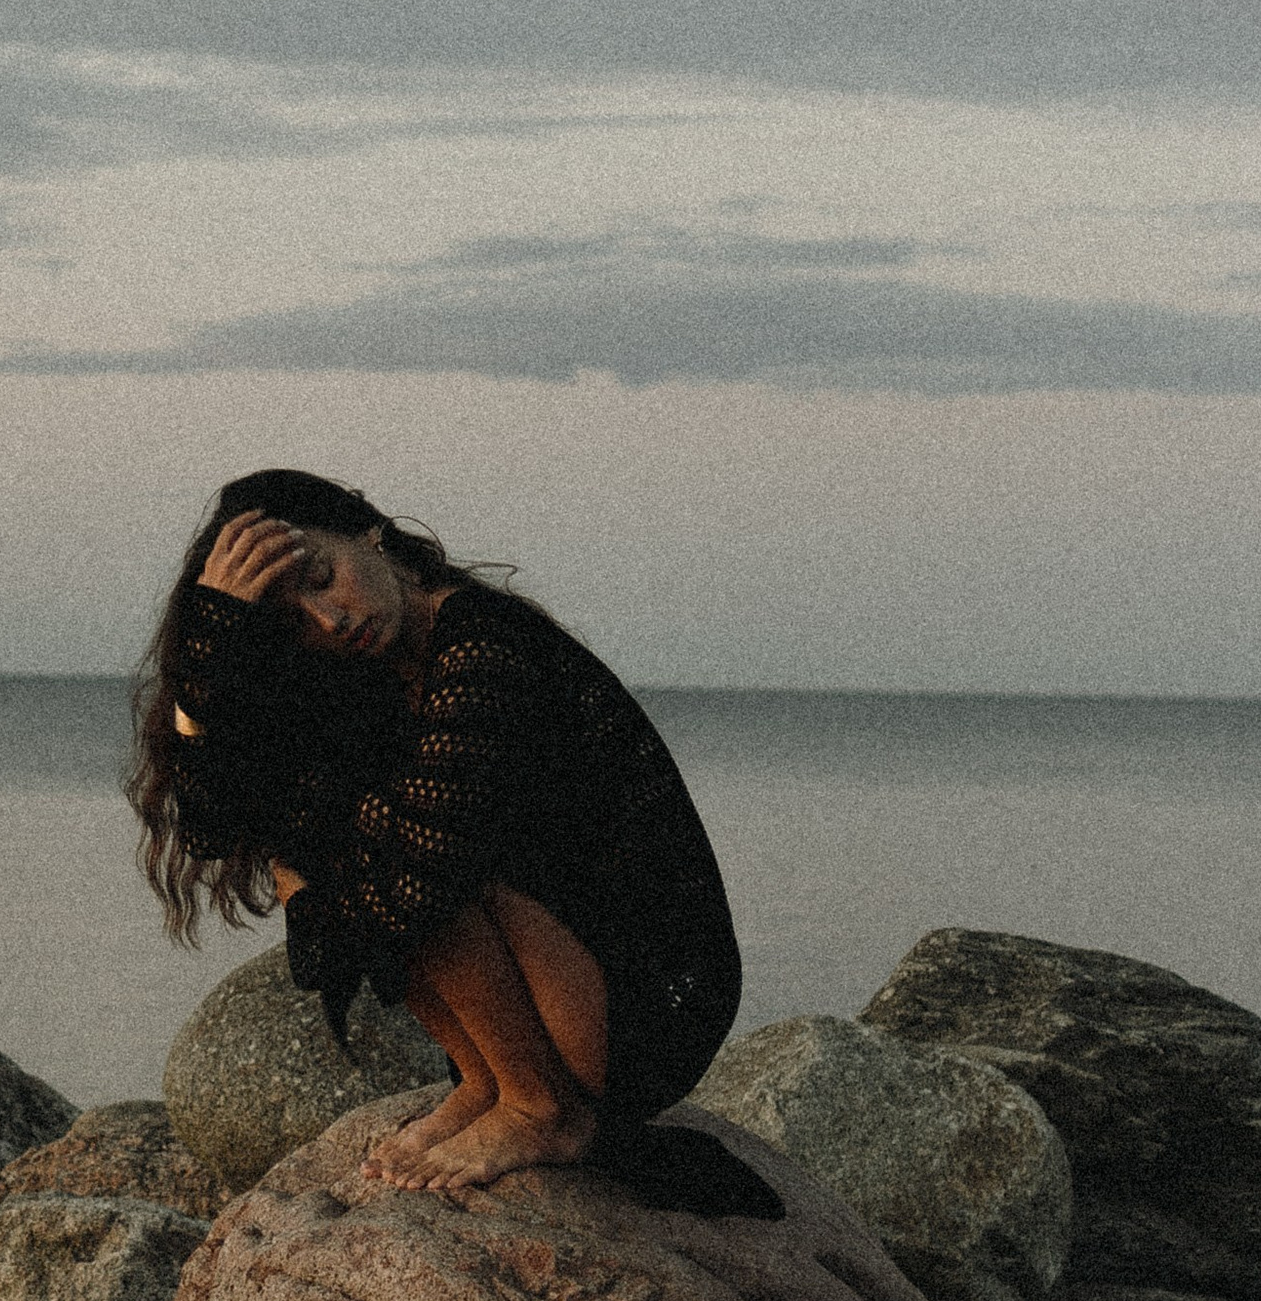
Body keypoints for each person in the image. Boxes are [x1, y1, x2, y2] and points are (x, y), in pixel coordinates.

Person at [128, 467, 779, 1214]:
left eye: (321, 575)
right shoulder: (372, 679)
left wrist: (319, 886)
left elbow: (419, 879)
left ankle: (540, 1107)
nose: (331, 620)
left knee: (390, 848)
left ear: (368, 531)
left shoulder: (483, 643)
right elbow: (216, 825)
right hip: (568, 978)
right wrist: (213, 660)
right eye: (290, 622)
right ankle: (490, 1082)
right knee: (323, 811)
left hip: (652, 996)